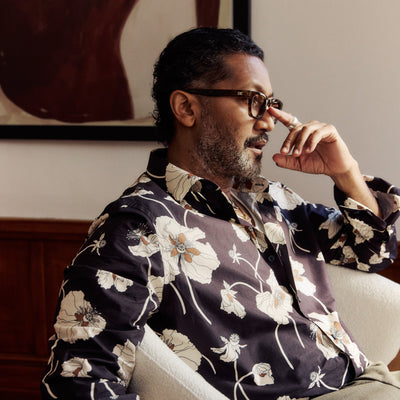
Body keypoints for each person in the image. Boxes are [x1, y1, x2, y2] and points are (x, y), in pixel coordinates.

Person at [41, 27, 400, 400]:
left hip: (366, 379)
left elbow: (374, 251)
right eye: (253, 100)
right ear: (186, 108)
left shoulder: (275, 201)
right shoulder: (137, 227)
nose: (269, 122)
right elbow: (78, 380)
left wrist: (346, 172)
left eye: (272, 103)